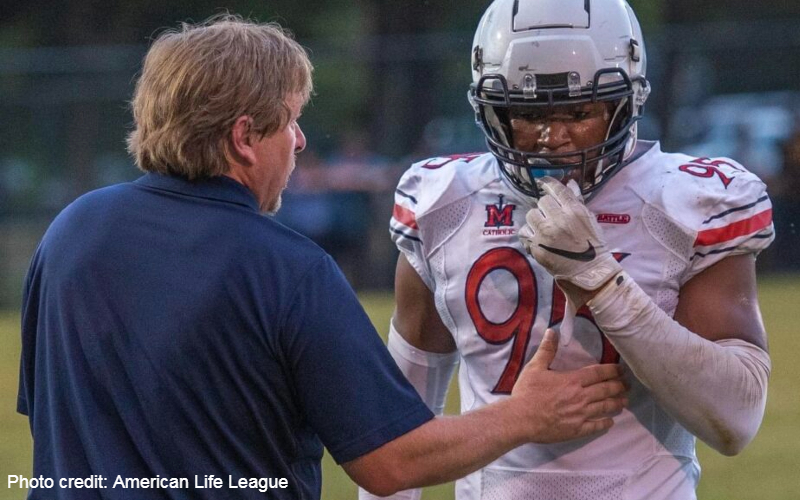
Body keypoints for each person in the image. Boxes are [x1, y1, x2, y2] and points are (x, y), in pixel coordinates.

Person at [16, 14, 628, 500]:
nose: (302, 141)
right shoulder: (287, 267)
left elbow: (48, 420)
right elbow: (390, 462)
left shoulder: (70, 232)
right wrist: (524, 416)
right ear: (243, 137)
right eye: (291, 121)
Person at [375, 0, 774, 499]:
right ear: (491, 109)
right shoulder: (443, 203)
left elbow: (734, 421)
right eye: (527, 113)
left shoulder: (688, 203)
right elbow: (398, 426)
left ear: (625, 102)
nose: (552, 138)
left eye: (580, 112)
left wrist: (603, 284)